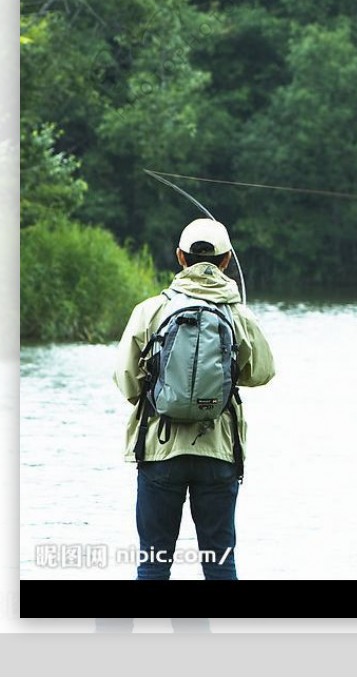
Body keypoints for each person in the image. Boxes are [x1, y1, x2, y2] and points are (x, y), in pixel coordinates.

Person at [113, 217, 276, 580]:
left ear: (180, 258)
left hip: (159, 450)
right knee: (220, 560)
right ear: (227, 261)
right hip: (218, 453)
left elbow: (127, 382)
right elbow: (262, 373)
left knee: (154, 561)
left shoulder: (150, 311)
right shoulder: (237, 314)